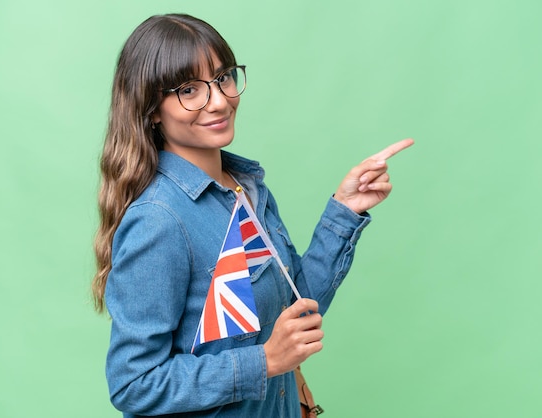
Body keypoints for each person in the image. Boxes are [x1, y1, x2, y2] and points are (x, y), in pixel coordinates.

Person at [92, 13, 413, 418]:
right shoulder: (159, 220)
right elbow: (134, 385)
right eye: (190, 89)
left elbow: (296, 305)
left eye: (224, 77)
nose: (220, 100)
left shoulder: (246, 188)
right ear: (152, 109)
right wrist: (264, 362)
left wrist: (346, 210)